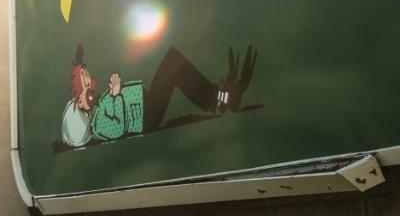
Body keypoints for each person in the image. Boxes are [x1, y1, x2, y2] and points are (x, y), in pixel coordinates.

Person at [61, 43, 258, 149]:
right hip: (148, 117)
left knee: (173, 63)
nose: (91, 82)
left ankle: (218, 97)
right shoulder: (99, 125)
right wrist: (115, 95)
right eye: (86, 83)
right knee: (173, 63)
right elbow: (116, 129)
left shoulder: (98, 112)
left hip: (147, 105)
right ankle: (220, 98)